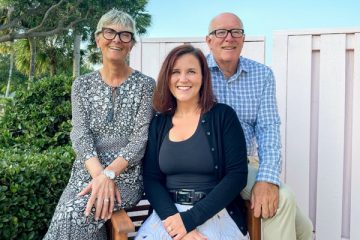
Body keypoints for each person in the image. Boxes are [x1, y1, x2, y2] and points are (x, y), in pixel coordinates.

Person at [43, 9, 155, 240]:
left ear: (131, 44)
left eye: (125, 35)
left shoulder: (146, 85)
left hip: (126, 178)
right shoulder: (82, 85)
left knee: (72, 216)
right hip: (85, 174)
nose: (116, 39)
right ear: (97, 39)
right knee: (65, 218)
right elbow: (80, 134)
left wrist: (110, 175)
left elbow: (140, 139)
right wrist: (99, 176)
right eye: (109, 32)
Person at [205, 12, 314, 240]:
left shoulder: (262, 75)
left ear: (243, 39)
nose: (229, 38)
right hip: (212, 165)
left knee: (304, 229)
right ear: (209, 40)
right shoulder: (196, 72)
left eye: (236, 32)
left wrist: (267, 178)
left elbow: (268, 129)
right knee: (283, 200)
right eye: (221, 32)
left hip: (246, 164)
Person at [136, 45, 249, 240]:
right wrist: (177, 225)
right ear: (167, 78)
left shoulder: (223, 116)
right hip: (167, 216)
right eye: (176, 72)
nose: (183, 79)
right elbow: (151, 179)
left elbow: (237, 176)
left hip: (215, 213)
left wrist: (189, 221)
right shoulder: (159, 122)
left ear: (203, 77)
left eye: (191, 72)